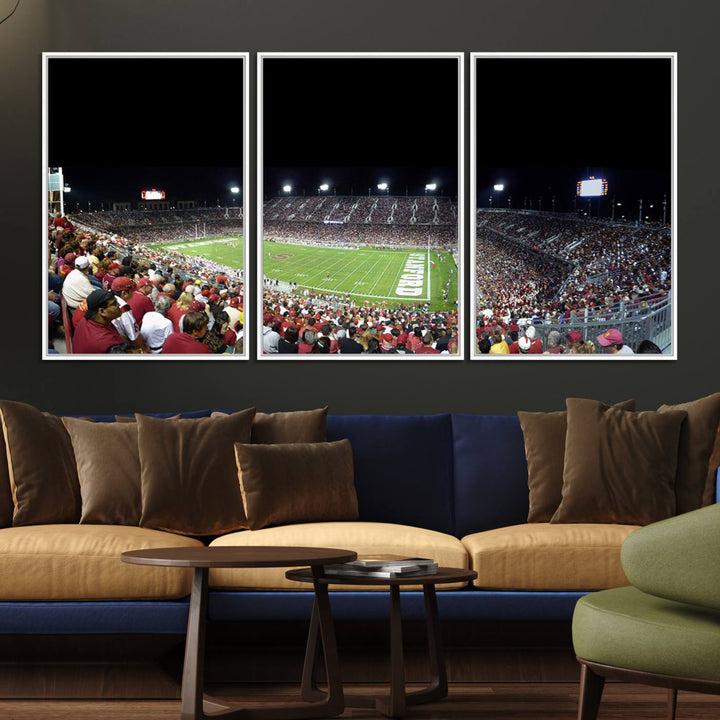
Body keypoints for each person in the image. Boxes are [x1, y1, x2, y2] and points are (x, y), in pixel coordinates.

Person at [72, 289, 140, 354]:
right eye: (114, 304)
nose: (119, 305)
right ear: (102, 311)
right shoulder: (105, 343)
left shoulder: (87, 320)